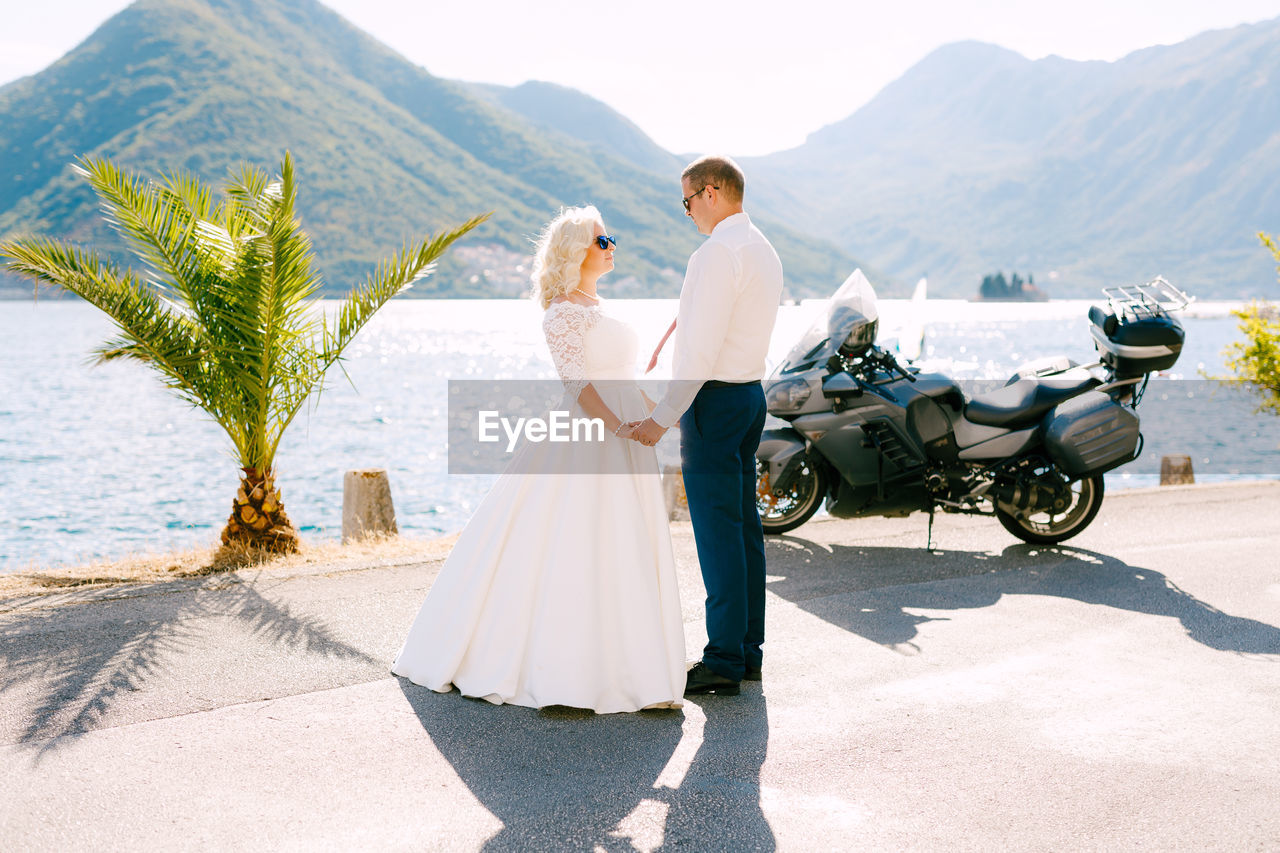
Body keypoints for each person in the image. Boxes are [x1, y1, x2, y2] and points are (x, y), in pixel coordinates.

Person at [391, 205, 686, 713]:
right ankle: (564, 668)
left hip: (628, 434)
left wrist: (662, 414)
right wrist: (620, 428)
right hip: (587, 436)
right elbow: (578, 386)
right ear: (576, 251)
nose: (611, 246)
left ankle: (627, 663)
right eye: (601, 240)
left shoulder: (599, 310)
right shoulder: (562, 314)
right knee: (572, 539)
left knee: (621, 541)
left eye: (610, 239)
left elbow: (622, 377)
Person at [627, 156, 784, 696]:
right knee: (744, 530)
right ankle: (746, 652)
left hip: (713, 403)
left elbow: (698, 350)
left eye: (688, 201)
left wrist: (659, 419)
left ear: (712, 192)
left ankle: (721, 660)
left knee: (718, 535)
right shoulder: (763, 250)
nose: (688, 212)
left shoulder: (716, 254)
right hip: (748, 396)